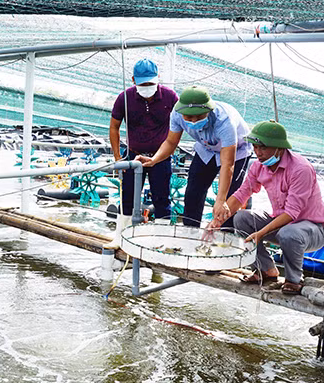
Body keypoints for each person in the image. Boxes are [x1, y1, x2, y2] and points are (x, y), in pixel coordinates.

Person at [208, 121, 324, 295]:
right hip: (282, 224)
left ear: (279, 148)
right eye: (255, 147)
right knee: (242, 218)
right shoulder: (258, 165)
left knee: (289, 233)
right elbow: (242, 194)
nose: (258, 153)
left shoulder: (300, 169)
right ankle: (265, 270)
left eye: (263, 148)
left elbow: (291, 213)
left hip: (311, 229)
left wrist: (261, 233)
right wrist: (217, 221)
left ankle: (293, 279)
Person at [137, 86, 253, 228]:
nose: (193, 121)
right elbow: (171, 142)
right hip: (206, 149)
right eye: (189, 117)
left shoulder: (224, 121)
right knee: (193, 191)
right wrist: (154, 159)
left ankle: (225, 239)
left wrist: (221, 200)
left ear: (208, 110)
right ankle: (191, 232)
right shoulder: (177, 114)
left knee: (229, 200)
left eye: (199, 116)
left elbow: (227, 164)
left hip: (237, 152)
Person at [105, 59, 179, 248]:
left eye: (150, 84)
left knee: (162, 198)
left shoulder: (170, 97)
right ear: (133, 80)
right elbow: (114, 127)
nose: (147, 88)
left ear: (158, 79)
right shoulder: (125, 97)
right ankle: (121, 237)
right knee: (127, 195)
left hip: (160, 157)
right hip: (133, 155)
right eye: (142, 84)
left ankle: (162, 241)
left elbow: (180, 126)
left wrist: (160, 155)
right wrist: (117, 158)